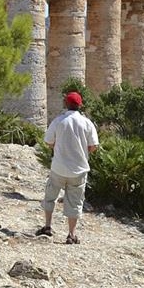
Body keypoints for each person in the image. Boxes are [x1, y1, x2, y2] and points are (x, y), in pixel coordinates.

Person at [37, 91, 99, 244]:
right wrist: (82, 151)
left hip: (59, 167)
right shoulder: (87, 123)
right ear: (80, 105)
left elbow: (48, 141)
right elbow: (93, 146)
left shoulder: (58, 121)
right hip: (79, 169)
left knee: (50, 196)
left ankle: (47, 226)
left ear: (66, 104)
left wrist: (57, 148)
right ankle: (71, 234)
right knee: (75, 202)